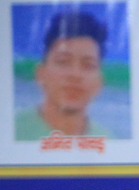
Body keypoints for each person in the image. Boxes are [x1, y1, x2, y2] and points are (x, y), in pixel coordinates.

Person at [15, 10, 110, 140]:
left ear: (100, 82)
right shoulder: (12, 131)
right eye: (63, 61)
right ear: (40, 73)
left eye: (88, 65)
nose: (75, 75)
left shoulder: (109, 140)